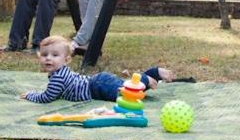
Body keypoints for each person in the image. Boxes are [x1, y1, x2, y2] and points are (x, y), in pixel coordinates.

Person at [21, 36, 172, 104]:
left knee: (127, 94)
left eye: (55, 55)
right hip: (98, 82)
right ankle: (152, 74)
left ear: (66, 60)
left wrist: (30, 95)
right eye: (45, 55)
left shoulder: (58, 78)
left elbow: (46, 97)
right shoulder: (59, 73)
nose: (48, 58)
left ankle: (146, 78)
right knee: (127, 87)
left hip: (96, 88)